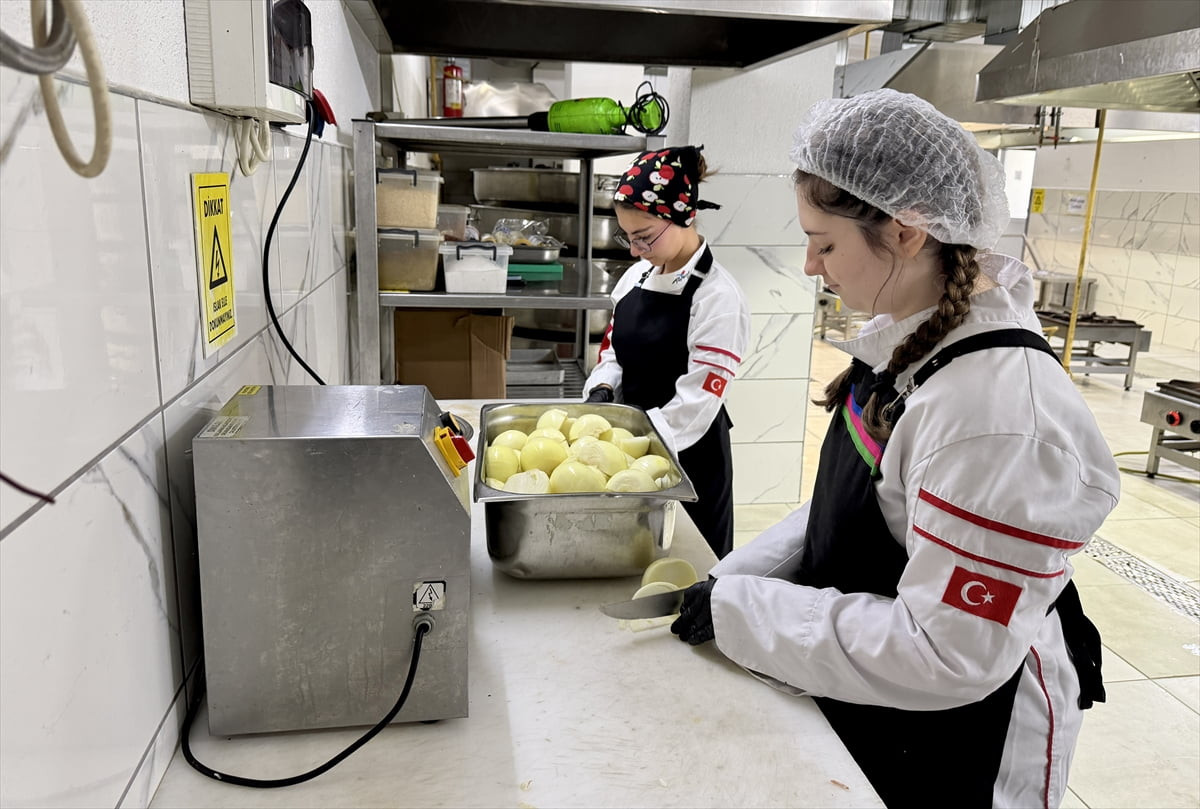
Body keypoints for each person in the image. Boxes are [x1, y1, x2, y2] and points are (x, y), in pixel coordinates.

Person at [668, 90, 1118, 808]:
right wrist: (732, 583)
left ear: (908, 232)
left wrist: (747, 616)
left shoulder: (996, 415)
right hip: (886, 710)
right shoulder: (914, 343)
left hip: (967, 741)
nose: (812, 267)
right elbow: (851, 514)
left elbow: (946, 652)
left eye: (825, 243)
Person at [583, 145, 750, 559]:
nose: (634, 250)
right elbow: (613, 351)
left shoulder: (718, 297)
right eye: (628, 236)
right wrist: (603, 388)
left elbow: (699, 401)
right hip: (629, 440)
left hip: (687, 452)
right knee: (630, 554)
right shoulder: (637, 277)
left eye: (644, 237)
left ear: (684, 217)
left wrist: (633, 439)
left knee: (686, 563)